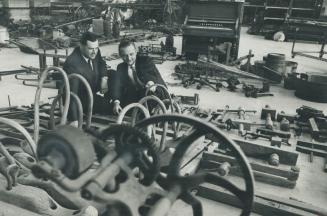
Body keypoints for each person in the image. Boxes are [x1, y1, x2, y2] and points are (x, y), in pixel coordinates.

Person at [63, 31, 110, 126]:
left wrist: (104, 79)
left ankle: (116, 101)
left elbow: (101, 63)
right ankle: (111, 105)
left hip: (92, 87)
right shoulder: (73, 63)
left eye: (96, 48)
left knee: (113, 74)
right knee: (108, 107)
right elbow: (71, 94)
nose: (94, 52)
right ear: (81, 46)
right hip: (83, 99)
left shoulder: (95, 52)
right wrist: (74, 119)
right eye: (91, 49)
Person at [110, 40, 167, 115]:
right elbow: (118, 86)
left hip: (154, 93)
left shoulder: (145, 60)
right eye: (124, 55)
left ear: (136, 51)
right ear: (120, 55)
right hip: (137, 95)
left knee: (146, 109)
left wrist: (150, 82)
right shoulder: (121, 67)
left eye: (131, 54)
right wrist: (116, 102)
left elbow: (150, 76)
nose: (129, 58)